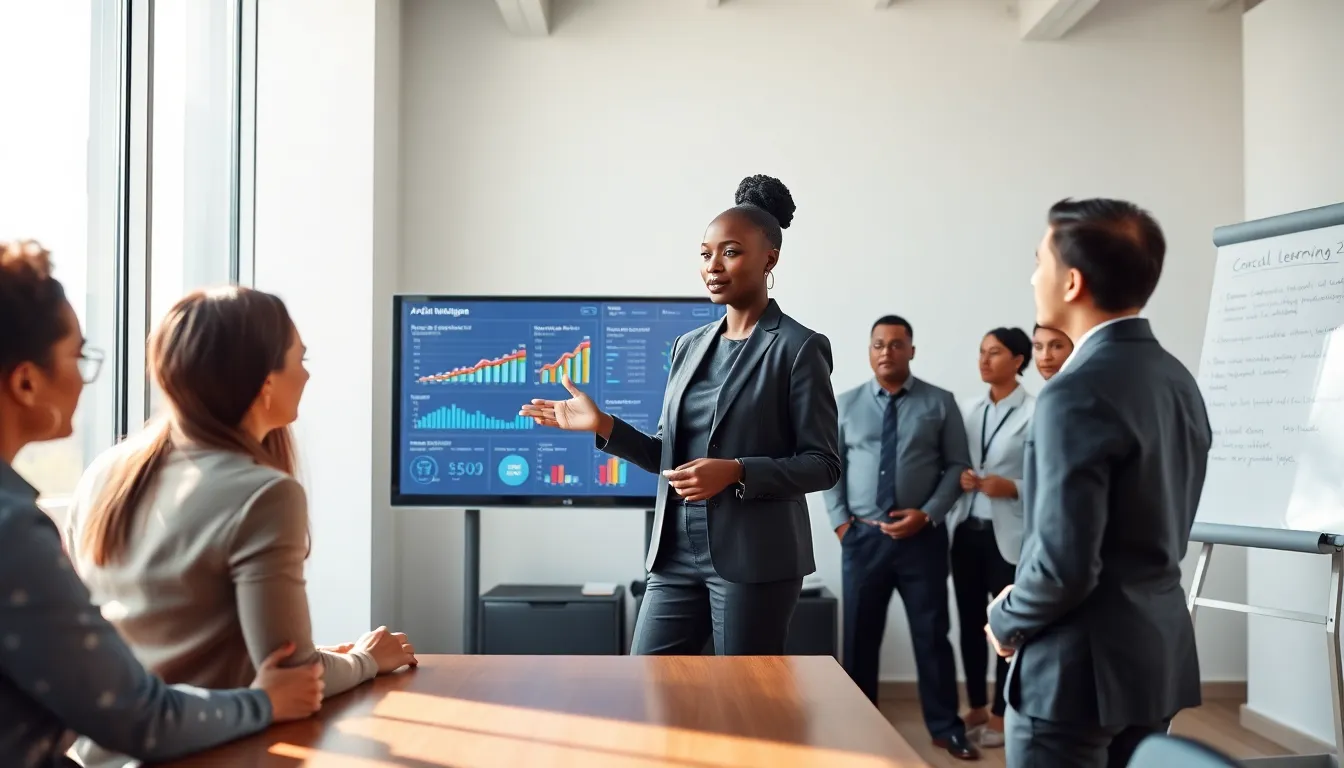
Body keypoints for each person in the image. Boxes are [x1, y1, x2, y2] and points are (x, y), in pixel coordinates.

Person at [64, 286, 418, 766]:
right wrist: (366, 660)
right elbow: (296, 677)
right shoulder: (264, 494)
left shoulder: (106, 472)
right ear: (264, 383)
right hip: (212, 752)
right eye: (300, 358)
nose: (308, 374)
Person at [0, 240, 323, 766]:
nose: (85, 378)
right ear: (27, 381)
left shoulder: (104, 472)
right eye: (77, 356)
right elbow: (137, 717)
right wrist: (265, 701)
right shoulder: (12, 532)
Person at [520, 174, 840, 655]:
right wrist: (603, 426)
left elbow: (823, 464)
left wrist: (735, 472)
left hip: (754, 561)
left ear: (769, 258)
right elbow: (667, 454)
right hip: (673, 554)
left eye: (730, 252)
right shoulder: (687, 347)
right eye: (706, 253)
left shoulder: (798, 347)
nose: (713, 265)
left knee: (743, 704)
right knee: (652, 688)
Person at [986, 199, 1211, 768]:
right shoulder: (1177, 378)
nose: (1033, 274)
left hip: (1075, 671)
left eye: (1040, 261)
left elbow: (1064, 567)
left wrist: (1006, 620)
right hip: (1155, 655)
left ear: (1072, 283)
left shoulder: (1073, 392)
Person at [823, 315, 979, 762]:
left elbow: (956, 466)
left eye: (896, 344)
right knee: (859, 638)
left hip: (923, 541)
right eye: (878, 345)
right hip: (863, 540)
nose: (886, 352)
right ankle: (858, 726)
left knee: (932, 634)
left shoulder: (939, 403)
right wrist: (842, 526)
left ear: (912, 350)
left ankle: (946, 729)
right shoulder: (845, 404)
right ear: (869, 352)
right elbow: (831, 468)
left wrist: (928, 515)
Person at [949, 327, 1035, 749]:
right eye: (981, 352)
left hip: (1009, 534)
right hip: (967, 529)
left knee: (1005, 626)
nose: (984, 360)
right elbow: (954, 460)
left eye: (995, 353)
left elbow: (1050, 476)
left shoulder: (1036, 411)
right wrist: (961, 476)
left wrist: (1013, 486)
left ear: (1018, 359)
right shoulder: (968, 409)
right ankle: (978, 706)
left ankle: (1003, 714)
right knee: (968, 623)